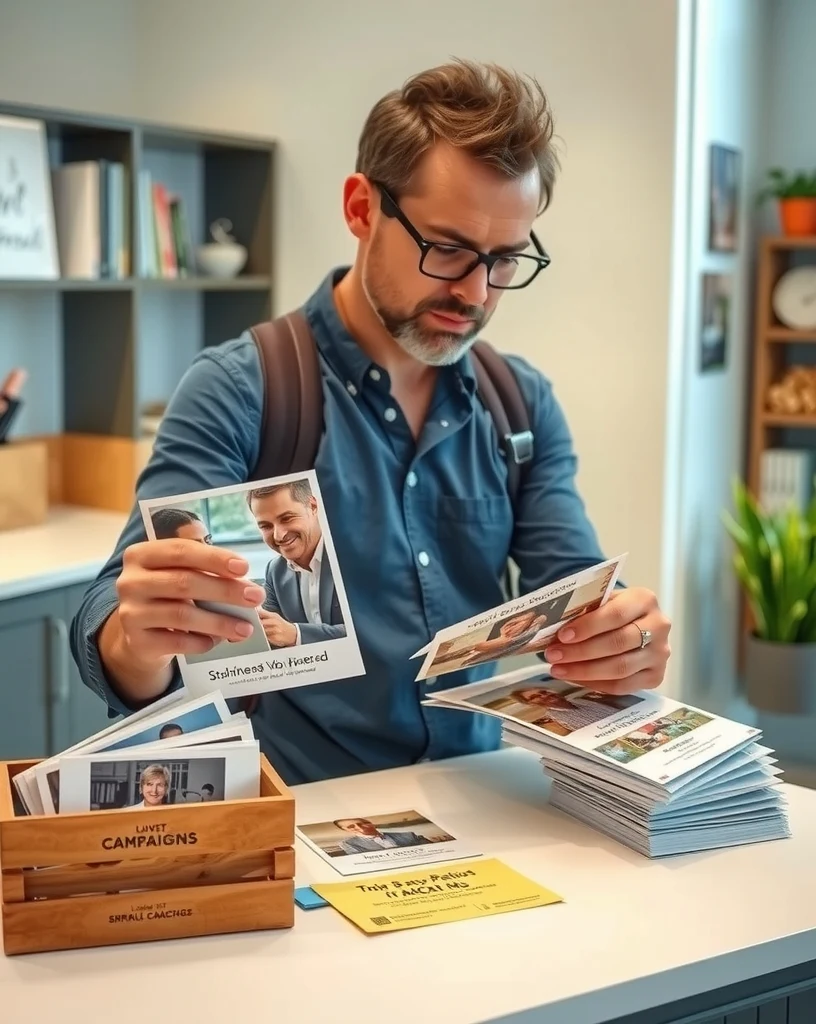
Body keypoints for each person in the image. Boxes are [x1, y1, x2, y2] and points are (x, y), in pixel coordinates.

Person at [69, 59, 671, 786]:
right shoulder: (241, 389)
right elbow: (115, 620)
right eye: (446, 249)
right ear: (361, 208)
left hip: (487, 802)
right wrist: (136, 638)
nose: (475, 292)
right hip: (302, 811)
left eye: (504, 259)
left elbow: (575, 597)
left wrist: (619, 642)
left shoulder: (520, 404)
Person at [247, 479, 346, 647]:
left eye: (287, 518)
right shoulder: (275, 570)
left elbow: (370, 630)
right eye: (266, 526)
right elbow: (270, 637)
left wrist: (297, 634)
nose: (278, 536)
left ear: (313, 507)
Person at [332, 817, 432, 855]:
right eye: (351, 826)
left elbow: (430, 848)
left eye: (363, 823)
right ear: (345, 830)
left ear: (371, 823)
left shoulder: (408, 835)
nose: (359, 828)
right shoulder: (348, 844)